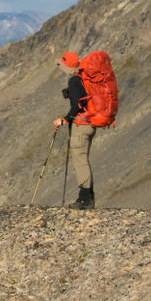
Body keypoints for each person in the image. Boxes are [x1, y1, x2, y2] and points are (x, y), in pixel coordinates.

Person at [53, 52, 95, 209]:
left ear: (67, 67)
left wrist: (65, 119)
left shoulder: (74, 81)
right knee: (81, 157)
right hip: (89, 123)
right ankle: (87, 197)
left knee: (80, 160)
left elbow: (77, 105)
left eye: (62, 66)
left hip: (81, 124)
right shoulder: (83, 78)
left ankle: (85, 199)